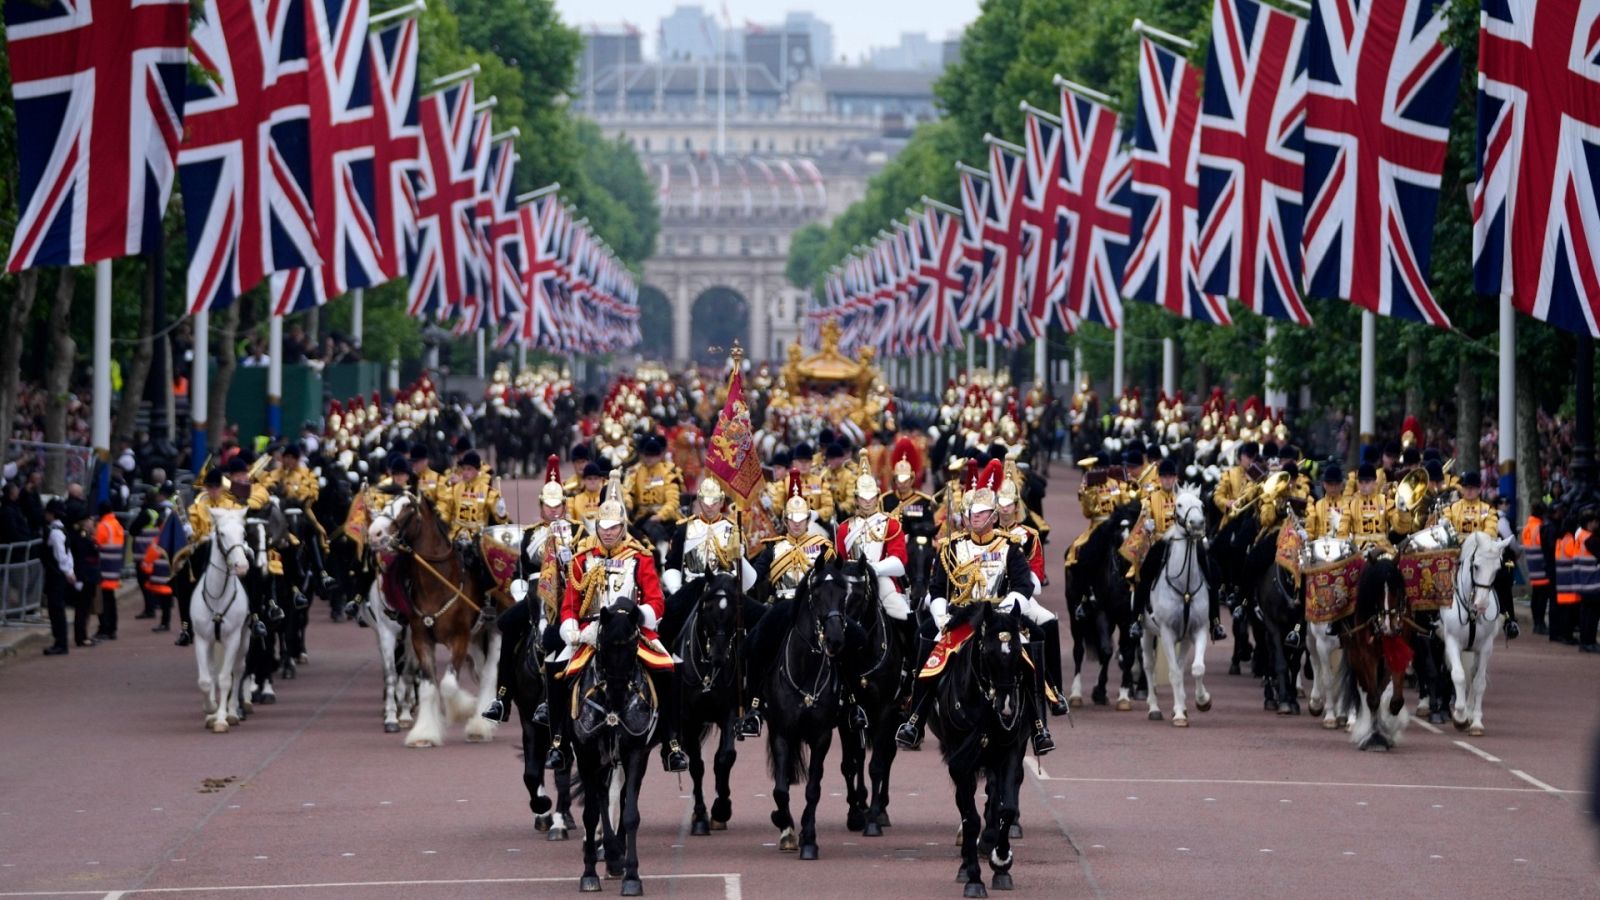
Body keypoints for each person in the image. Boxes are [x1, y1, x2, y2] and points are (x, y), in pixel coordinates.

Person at [897, 460, 1055, 755]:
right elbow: (937, 587)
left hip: (999, 619)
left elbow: (1024, 585)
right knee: (927, 640)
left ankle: (1038, 726)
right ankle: (915, 717)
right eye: (972, 514)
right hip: (961, 618)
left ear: (993, 517)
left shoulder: (1009, 548)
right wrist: (942, 613)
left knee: (1029, 646)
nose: (974, 519)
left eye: (981, 514)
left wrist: (1009, 608)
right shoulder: (952, 547)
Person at [546, 472, 688, 773]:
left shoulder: (640, 557)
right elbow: (571, 602)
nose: (608, 533)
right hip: (589, 634)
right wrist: (571, 627)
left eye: (613, 528)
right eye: (603, 527)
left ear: (623, 527)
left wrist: (640, 617)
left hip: (631, 632)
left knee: (669, 670)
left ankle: (672, 742)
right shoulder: (583, 558)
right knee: (556, 669)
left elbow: (655, 600)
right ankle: (558, 741)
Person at [483, 456, 582, 725]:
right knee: (506, 625)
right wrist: (519, 590)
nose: (553, 511)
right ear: (541, 507)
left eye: (558, 506)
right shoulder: (529, 534)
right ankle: (502, 697)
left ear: (565, 505)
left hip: (567, 595)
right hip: (535, 594)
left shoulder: (578, 532)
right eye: (548, 507)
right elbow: (520, 572)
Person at [661, 476, 756, 630]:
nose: (709, 506)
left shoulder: (734, 530)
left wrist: (740, 556)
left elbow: (745, 575)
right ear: (699, 500)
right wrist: (677, 591)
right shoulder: (683, 529)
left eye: (714, 502)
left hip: (724, 594)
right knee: (666, 622)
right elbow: (672, 565)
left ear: (721, 502)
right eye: (705, 501)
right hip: (690, 592)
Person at [40, 500, 78, 655]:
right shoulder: (61, 529)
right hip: (59, 575)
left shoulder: (55, 532)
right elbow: (68, 554)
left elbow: (60, 555)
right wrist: (70, 570)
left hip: (55, 575)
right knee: (57, 609)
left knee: (56, 610)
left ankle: (60, 643)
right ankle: (60, 641)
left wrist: (68, 572)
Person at [1521, 502, 1555, 637]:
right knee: (1542, 597)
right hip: (1542, 565)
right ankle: (1540, 623)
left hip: (1531, 564)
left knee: (1536, 596)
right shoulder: (1540, 527)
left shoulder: (1527, 527)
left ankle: (1537, 623)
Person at [92, 502, 124, 641]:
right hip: (114, 568)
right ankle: (112, 629)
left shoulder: (103, 526)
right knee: (110, 600)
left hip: (104, 568)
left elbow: (96, 543)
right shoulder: (116, 524)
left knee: (103, 601)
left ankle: (104, 628)